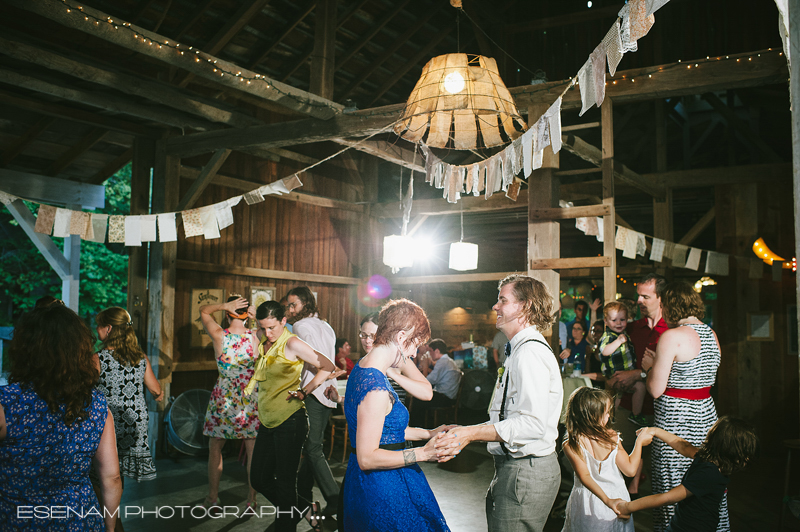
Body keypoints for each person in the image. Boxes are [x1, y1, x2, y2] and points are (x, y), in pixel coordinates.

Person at [436, 274, 563, 532]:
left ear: (525, 306)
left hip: (526, 471)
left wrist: (471, 433)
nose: (495, 306)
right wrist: (463, 429)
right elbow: (509, 417)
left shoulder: (530, 353)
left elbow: (532, 424)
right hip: (513, 469)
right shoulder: (518, 349)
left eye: (502, 300)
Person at [0, 304, 122, 531]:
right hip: (80, 520)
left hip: (19, 521)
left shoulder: (7, 402)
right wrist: (110, 527)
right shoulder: (96, 404)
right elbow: (112, 478)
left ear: (25, 349)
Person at [342, 298, 451, 531]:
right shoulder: (376, 387)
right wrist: (423, 453)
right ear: (401, 338)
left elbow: (384, 431)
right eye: (415, 345)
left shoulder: (363, 368)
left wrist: (429, 433)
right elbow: (367, 458)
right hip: (382, 487)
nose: (414, 353)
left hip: (374, 481)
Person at [642, 281, 726, 532]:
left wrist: (649, 368)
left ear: (669, 306)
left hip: (676, 420)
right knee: (706, 481)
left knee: (673, 487)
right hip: (707, 417)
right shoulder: (711, 334)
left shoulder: (672, 336)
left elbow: (656, 389)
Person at [245, 300, 334, 532]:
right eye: (263, 328)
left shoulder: (292, 343)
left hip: (290, 422)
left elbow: (327, 366)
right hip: (267, 420)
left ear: (284, 321)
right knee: (259, 479)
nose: (267, 332)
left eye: (272, 327)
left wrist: (305, 391)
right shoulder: (264, 337)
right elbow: (257, 325)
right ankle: (305, 509)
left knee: (285, 486)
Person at [614, 417, 759, 532]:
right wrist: (628, 507)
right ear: (732, 451)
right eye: (744, 453)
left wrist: (655, 431)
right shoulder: (710, 474)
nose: (746, 458)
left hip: (682, 524)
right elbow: (666, 498)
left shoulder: (706, 457)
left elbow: (683, 445)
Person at [95, 306, 162, 531]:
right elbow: (155, 390)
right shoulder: (139, 357)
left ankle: (110, 520)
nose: (97, 330)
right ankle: (115, 517)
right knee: (118, 471)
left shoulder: (97, 358)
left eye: (99, 326)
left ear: (109, 328)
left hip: (110, 421)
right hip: (134, 421)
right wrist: (158, 396)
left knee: (104, 471)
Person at [285, 286, 342, 519]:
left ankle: (335, 498)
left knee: (312, 448)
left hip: (313, 391)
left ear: (306, 304)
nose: (290, 309)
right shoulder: (326, 325)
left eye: (293, 305)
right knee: (312, 446)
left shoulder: (299, 326)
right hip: (329, 391)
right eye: (288, 305)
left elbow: (313, 357)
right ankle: (303, 496)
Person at [609, 273, 668, 493]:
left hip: (662, 408)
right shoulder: (631, 328)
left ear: (660, 297)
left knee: (661, 473)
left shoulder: (672, 329)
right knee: (615, 458)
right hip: (629, 404)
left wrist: (638, 374)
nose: (639, 301)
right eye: (638, 296)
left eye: (645, 296)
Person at [198, 295, 260, 509]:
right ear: (246, 315)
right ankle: (251, 500)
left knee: (215, 447)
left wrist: (224, 305)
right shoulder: (255, 336)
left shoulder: (219, 335)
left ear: (227, 314)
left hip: (223, 397)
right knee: (252, 450)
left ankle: (212, 498)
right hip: (249, 397)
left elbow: (204, 310)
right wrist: (257, 318)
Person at [561, 387, 650, 531]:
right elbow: (630, 470)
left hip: (586, 501)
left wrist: (607, 500)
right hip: (616, 497)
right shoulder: (611, 437)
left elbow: (585, 476)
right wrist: (639, 442)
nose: (609, 416)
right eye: (606, 413)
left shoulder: (571, 443)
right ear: (592, 416)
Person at [597, 302, 646, 425]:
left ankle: (614, 416)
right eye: (614, 320)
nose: (619, 323)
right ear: (606, 322)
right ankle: (635, 414)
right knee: (640, 387)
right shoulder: (608, 336)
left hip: (625, 371)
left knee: (619, 396)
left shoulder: (624, 334)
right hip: (615, 373)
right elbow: (605, 351)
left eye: (622, 320)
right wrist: (618, 342)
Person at [412, 338, 462, 427]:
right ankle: (425, 424)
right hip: (449, 396)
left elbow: (427, 382)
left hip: (445, 398)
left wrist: (425, 367)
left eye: (431, 351)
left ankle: (418, 426)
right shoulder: (448, 361)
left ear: (437, 351)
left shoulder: (443, 362)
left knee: (417, 398)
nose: (430, 354)